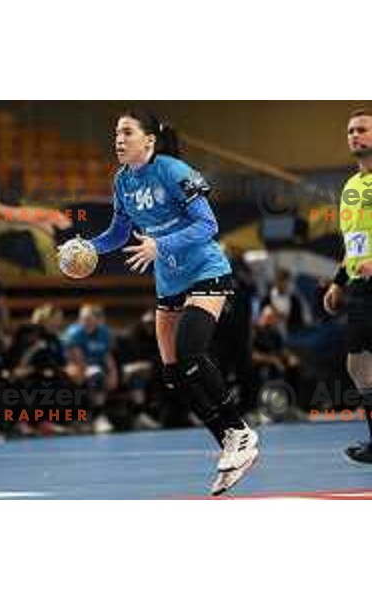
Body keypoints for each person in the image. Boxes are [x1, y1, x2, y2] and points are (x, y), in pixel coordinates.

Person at [72, 110, 259, 495]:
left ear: (150, 140)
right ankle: (227, 440)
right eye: (116, 134)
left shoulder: (175, 171)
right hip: (169, 281)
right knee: (175, 375)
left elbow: (208, 225)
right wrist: (87, 247)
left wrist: (161, 244)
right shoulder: (122, 181)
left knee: (192, 351)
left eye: (127, 132)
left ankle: (240, 432)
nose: (118, 140)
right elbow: (118, 233)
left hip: (206, 271)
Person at [324, 107, 372, 464]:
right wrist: (338, 282)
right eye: (351, 131)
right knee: (358, 367)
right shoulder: (351, 187)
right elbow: (353, 243)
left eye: (362, 129)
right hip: (359, 288)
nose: (355, 135)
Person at [62, 304, 118, 434]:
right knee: (95, 376)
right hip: (75, 366)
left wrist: (113, 375)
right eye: (82, 318)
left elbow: (107, 356)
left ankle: (95, 417)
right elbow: (76, 359)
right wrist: (88, 371)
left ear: (98, 320)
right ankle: (97, 417)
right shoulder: (74, 333)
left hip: (96, 367)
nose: (84, 321)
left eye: (88, 318)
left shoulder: (104, 333)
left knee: (100, 375)